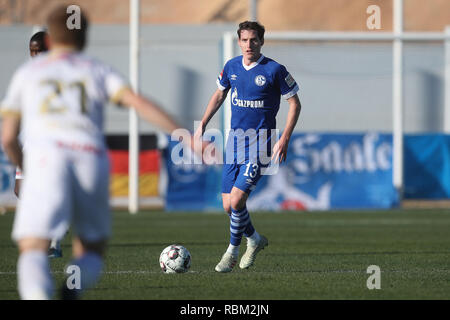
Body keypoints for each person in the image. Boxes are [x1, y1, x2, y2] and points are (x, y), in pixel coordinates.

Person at [0, 5, 189, 299]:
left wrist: (25, 166)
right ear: (84, 36)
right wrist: (186, 136)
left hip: (46, 159)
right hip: (90, 160)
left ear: (51, 41)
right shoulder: (95, 68)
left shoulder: (28, 73)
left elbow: (8, 136)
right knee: (90, 249)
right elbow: (138, 103)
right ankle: (70, 293)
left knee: (32, 249)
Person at [195, 21, 302, 272]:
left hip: (260, 146)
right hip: (234, 142)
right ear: (239, 42)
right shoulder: (232, 66)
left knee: (236, 201)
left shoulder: (274, 69)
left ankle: (231, 252)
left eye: (253, 40)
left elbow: (295, 104)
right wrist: (202, 123)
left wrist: (285, 137)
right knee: (227, 206)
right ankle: (254, 239)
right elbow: (219, 94)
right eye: (244, 40)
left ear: (261, 41)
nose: (248, 45)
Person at [14, 30, 64, 259]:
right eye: (32, 51)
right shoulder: (27, 75)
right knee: (20, 188)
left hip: (51, 139)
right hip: (28, 138)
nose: (35, 55)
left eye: (39, 50)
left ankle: (53, 242)